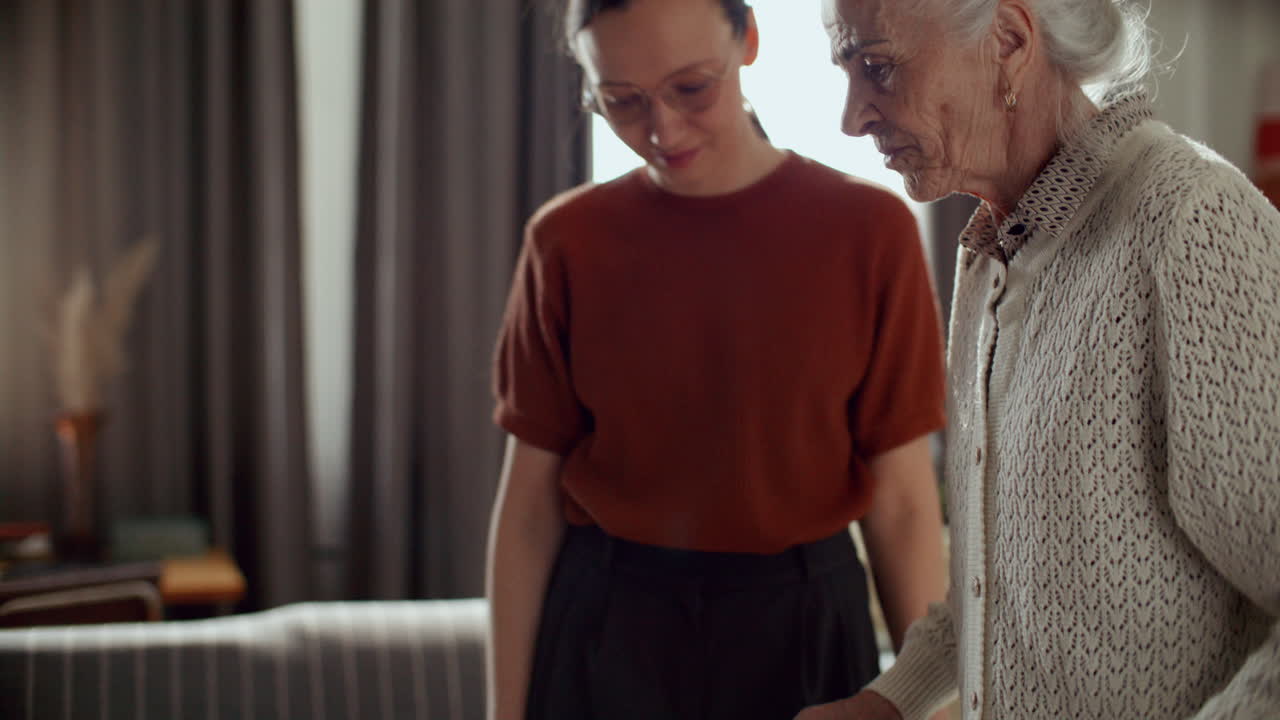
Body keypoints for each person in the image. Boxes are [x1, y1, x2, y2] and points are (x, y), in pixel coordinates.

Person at [797, 0, 1280, 718]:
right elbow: (998, 589)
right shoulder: (992, 257)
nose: (853, 118)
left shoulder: (1188, 221)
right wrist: (888, 703)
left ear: (1009, 40)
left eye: (878, 67)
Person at [485, 0, 952, 718]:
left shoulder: (870, 233)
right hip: (610, 627)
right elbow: (527, 511)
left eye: (692, 88)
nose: (662, 129)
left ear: (749, 40)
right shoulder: (566, 242)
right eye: (622, 102)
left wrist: (931, 708)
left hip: (803, 626)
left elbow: (904, 506)